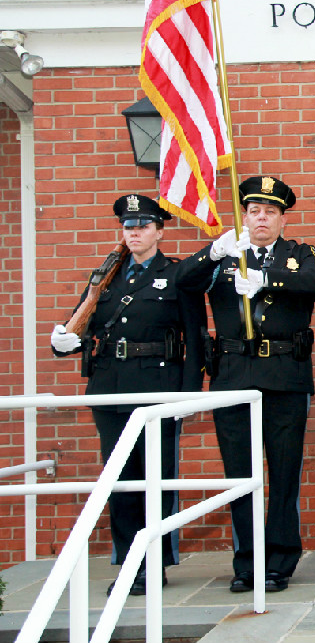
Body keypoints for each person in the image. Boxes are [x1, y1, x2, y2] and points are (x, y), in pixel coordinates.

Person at [176, 176, 315, 593]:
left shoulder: (298, 254)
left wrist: (266, 278)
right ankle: (247, 562)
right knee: (239, 475)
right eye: (255, 211)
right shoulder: (225, 256)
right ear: (244, 216)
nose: (262, 218)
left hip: (284, 377)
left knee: (283, 474)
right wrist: (213, 252)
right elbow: (180, 283)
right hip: (234, 376)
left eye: (271, 212)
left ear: (282, 219)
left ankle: (279, 561)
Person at [50, 194, 206, 596]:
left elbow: (195, 339)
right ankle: (127, 562)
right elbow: (78, 324)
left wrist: (187, 397)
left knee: (155, 479)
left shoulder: (177, 274)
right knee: (120, 481)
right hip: (110, 389)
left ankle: (154, 562)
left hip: (157, 390)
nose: (134, 233)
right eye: (128, 227)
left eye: (142, 226)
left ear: (159, 230)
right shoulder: (104, 276)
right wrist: (63, 341)